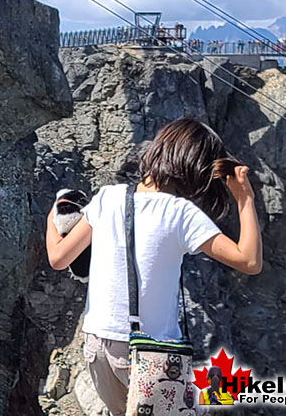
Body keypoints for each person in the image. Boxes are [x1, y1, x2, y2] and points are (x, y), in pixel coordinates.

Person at [45, 116, 264, 416]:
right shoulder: (181, 212)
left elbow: (58, 258)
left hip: (97, 345)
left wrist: (52, 220)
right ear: (194, 169)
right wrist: (245, 199)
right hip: (151, 353)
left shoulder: (108, 197)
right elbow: (249, 261)